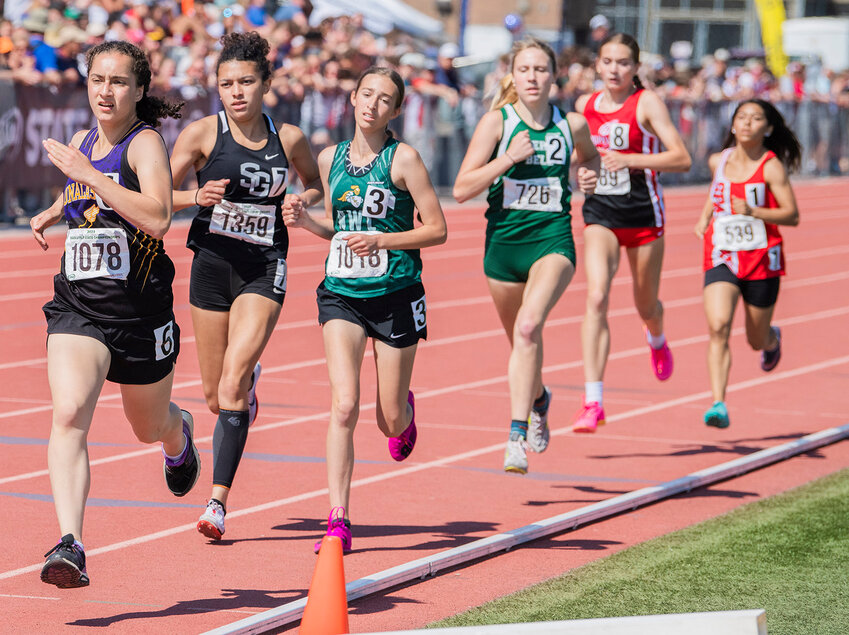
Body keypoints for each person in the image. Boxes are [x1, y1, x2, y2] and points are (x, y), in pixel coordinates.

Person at [30, 40, 197, 588]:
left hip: (139, 312)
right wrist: (56, 209)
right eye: (98, 79)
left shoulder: (144, 144)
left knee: (147, 426)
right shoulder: (82, 140)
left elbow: (159, 217)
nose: (106, 91)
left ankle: (180, 435)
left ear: (138, 89)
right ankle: (70, 544)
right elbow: (82, 193)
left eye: (119, 81)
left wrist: (91, 175)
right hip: (79, 304)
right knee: (70, 411)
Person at [283, 66, 447, 553]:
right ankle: (338, 518)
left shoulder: (405, 160)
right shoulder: (330, 156)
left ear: (395, 110)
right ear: (353, 99)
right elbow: (339, 224)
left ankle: (405, 412)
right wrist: (308, 222)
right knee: (344, 403)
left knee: (388, 419)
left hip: (396, 294)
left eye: (384, 99)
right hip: (342, 293)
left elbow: (436, 229)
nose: (372, 105)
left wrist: (383, 239)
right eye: (366, 95)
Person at [169, 31, 322, 541]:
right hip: (211, 265)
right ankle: (245, 385)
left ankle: (217, 504)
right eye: (226, 83)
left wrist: (302, 202)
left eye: (246, 82)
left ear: (266, 84)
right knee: (215, 397)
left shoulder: (290, 138)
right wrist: (194, 194)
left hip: (264, 266)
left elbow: (312, 181)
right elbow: (157, 196)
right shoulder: (201, 135)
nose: (236, 92)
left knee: (231, 384)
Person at [453, 37, 600, 474]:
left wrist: (588, 174)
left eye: (540, 70)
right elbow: (462, 189)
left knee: (530, 325)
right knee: (521, 341)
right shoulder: (498, 123)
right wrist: (507, 159)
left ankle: (516, 435)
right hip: (503, 246)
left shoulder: (571, 124)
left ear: (554, 77)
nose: (533, 78)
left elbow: (589, 159)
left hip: (552, 239)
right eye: (525, 70)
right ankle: (539, 398)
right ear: (513, 77)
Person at [573, 33, 692, 433]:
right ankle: (593, 400)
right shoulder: (584, 106)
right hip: (601, 214)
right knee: (597, 294)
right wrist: (582, 173)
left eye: (623, 62)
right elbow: (578, 160)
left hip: (644, 215)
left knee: (646, 304)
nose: (614, 69)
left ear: (635, 67)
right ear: (597, 65)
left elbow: (681, 158)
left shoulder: (646, 103)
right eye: (607, 61)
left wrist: (629, 160)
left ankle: (656, 337)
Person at [694, 99, 800, 429]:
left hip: (760, 259)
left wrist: (754, 212)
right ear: (732, 125)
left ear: (767, 129)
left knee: (755, 338)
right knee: (718, 325)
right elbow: (716, 192)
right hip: (722, 254)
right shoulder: (719, 160)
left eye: (756, 119)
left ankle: (772, 340)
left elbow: (792, 215)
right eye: (742, 117)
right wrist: (703, 218)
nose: (747, 123)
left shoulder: (771, 166)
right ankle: (718, 403)